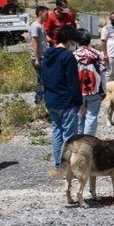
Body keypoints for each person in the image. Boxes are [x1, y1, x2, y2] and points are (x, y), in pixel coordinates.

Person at [41, 25, 83, 169]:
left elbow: (43, 78)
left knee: (57, 132)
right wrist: (79, 102)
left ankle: (59, 164)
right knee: (70, 138)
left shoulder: (47, 55)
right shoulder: (67, 56)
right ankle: (68, 167)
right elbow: (73, 83)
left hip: (51, 100)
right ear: (69, 39)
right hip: (66, 101)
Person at [74, 29, 107, 136]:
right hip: (95, 90)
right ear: (89, 40)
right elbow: (103, 73)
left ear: (77, 41)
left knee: (79, 115)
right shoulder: (97, 54)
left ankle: (78, 141)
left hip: (78, 91)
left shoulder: (73, 55)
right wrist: (104, 90)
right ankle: (88, 141)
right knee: (91, 117)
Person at [29, 5, 49, 106]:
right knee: (42, 81)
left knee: (42, 80)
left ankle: (40, 101)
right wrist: (37, 59)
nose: (48, 16)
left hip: (42, 57)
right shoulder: (35, 26)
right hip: (39, 58)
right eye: (46, 14)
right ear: (40, 13)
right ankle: (39, 102)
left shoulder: (40, 26)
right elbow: (34, 43)